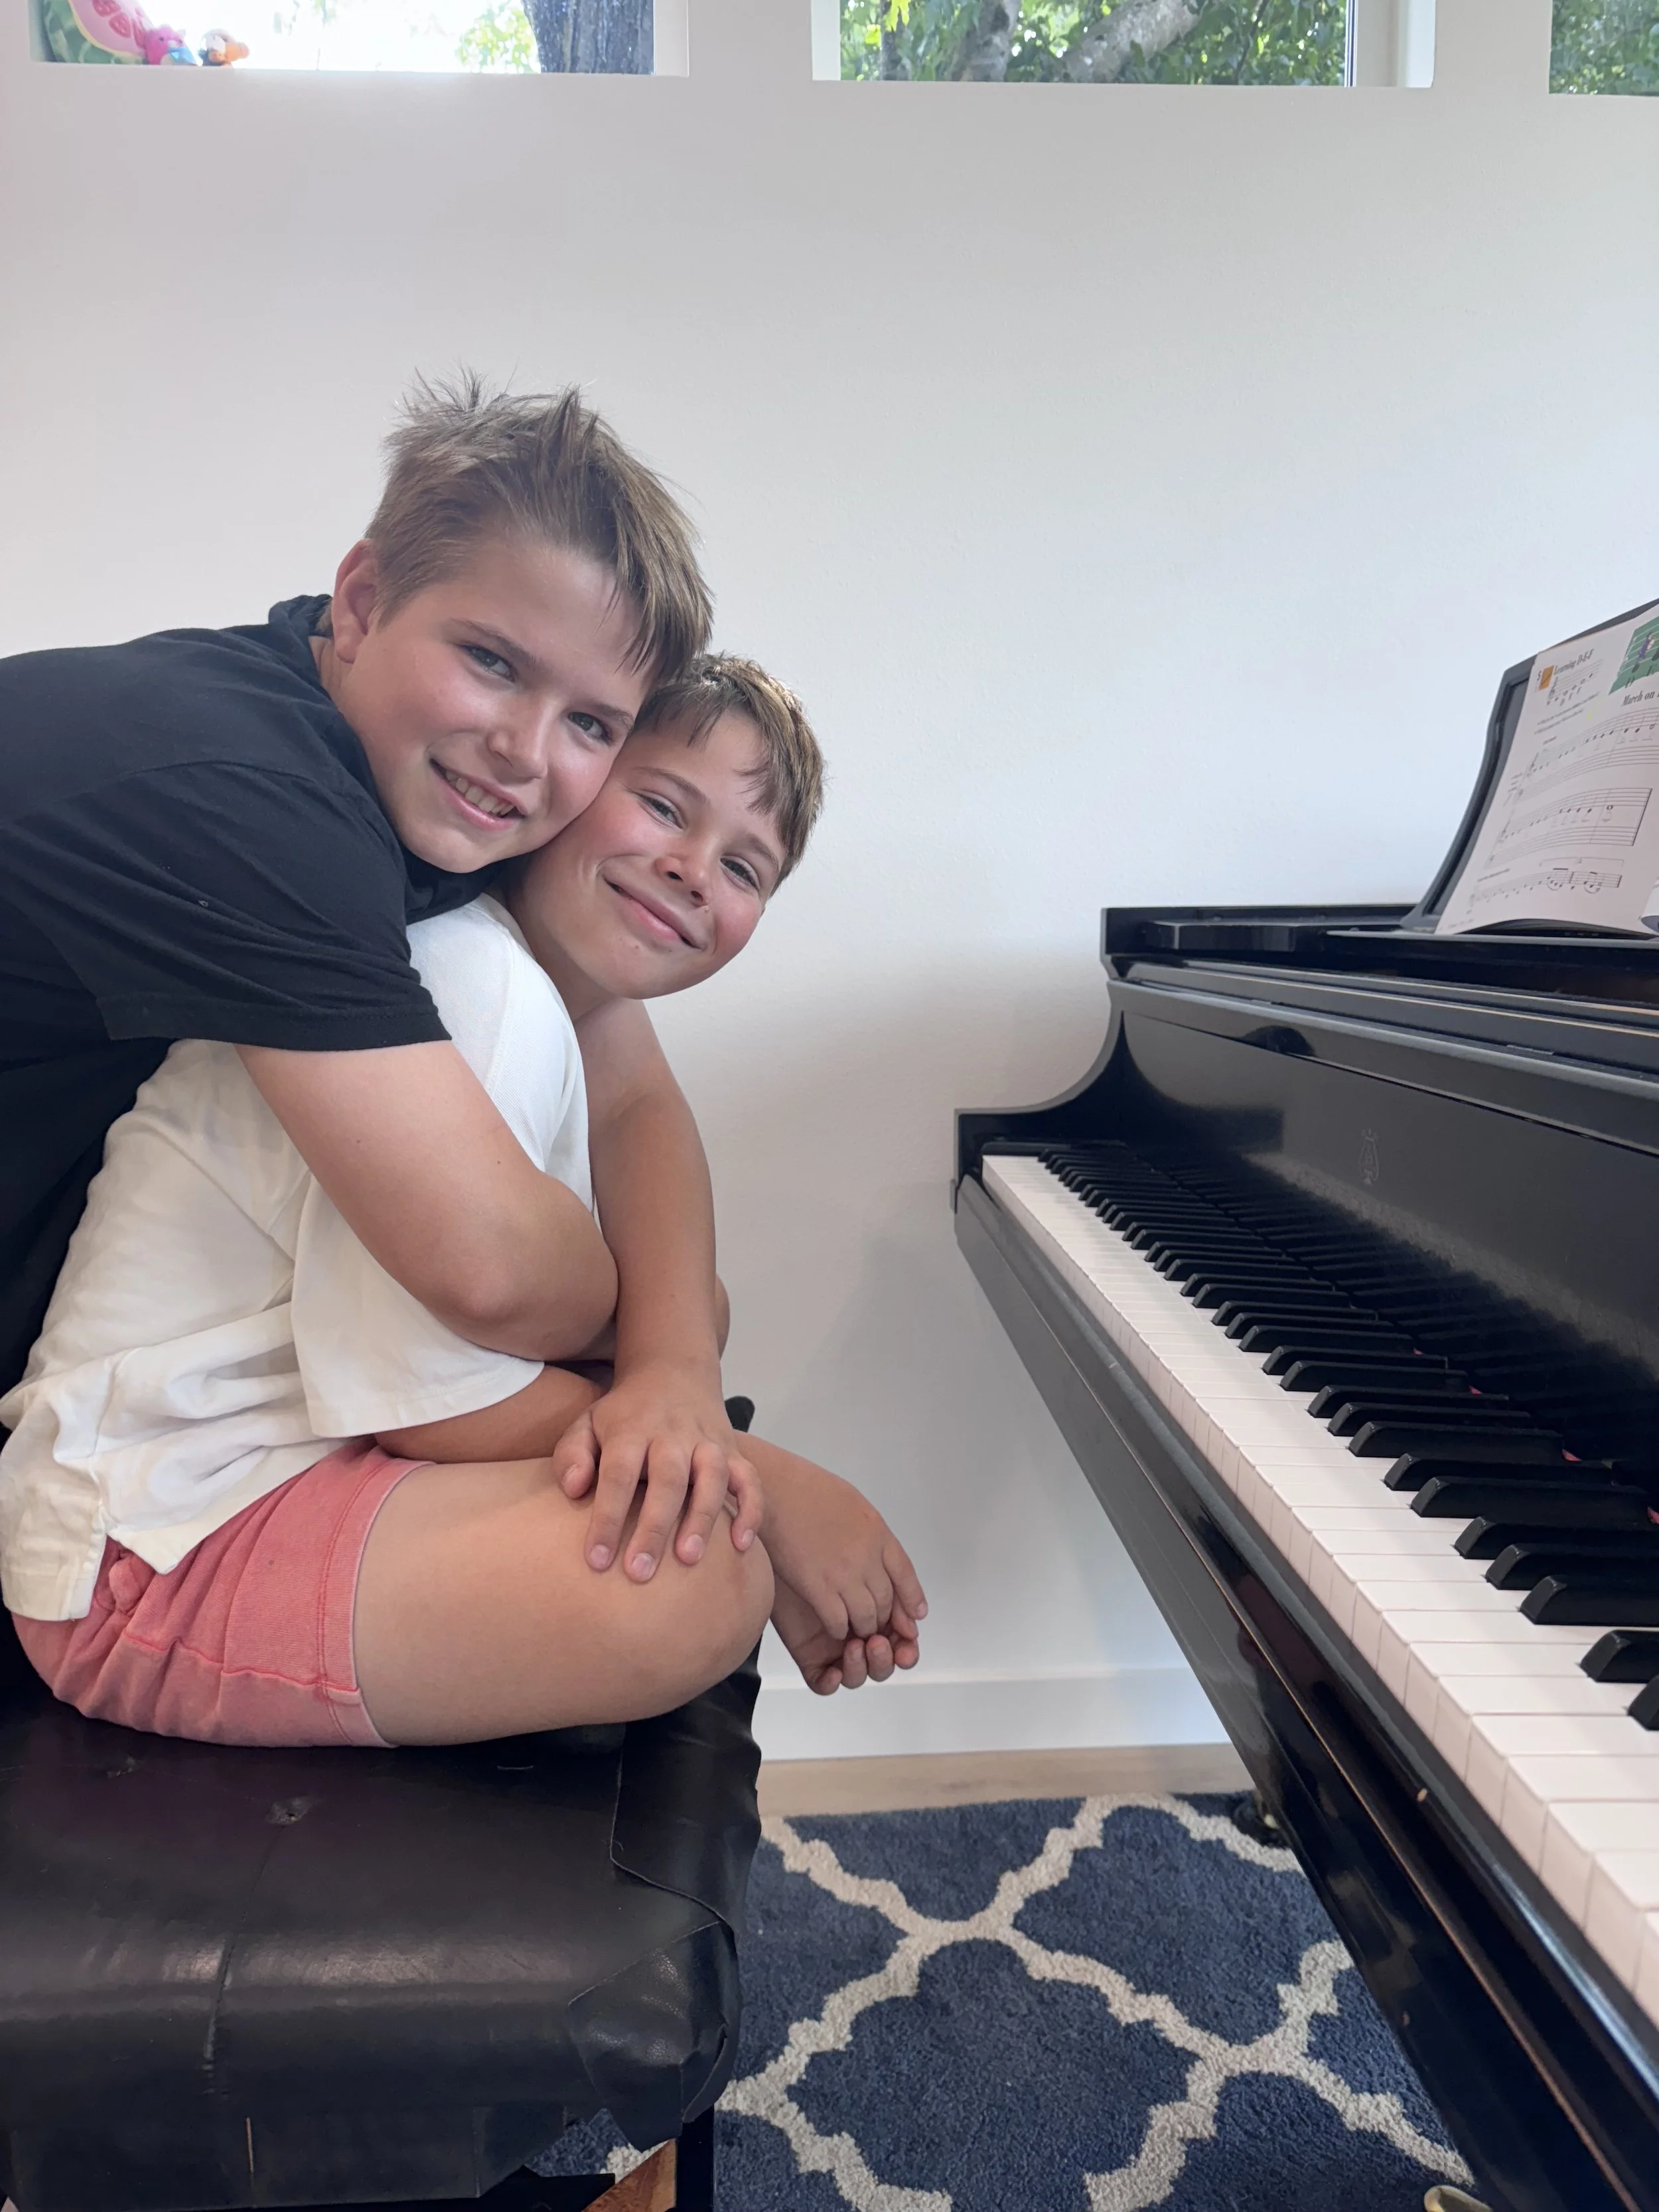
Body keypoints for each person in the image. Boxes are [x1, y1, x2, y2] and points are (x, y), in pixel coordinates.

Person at [0, 658, 926, 1747]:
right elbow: (421, 1403)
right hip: (149, 1547)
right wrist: (752, 1477)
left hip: (295, 1458)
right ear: (577, 785)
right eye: (665, 806)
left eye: (744, 868)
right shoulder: (478, 985)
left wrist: (678, 1381)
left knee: (679, 1340)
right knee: (700, 1571)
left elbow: (645, 1113)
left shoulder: (541, 983)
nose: (690, 870)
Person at [0, 376, 751, 1572]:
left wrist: (673, 1369)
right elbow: (489, 1265)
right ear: (361, 602)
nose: (524, 750)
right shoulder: (258, 803)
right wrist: (671, 1320)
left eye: (592, 724)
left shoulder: (413, 754)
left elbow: (630, 1090)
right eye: (493, 661)